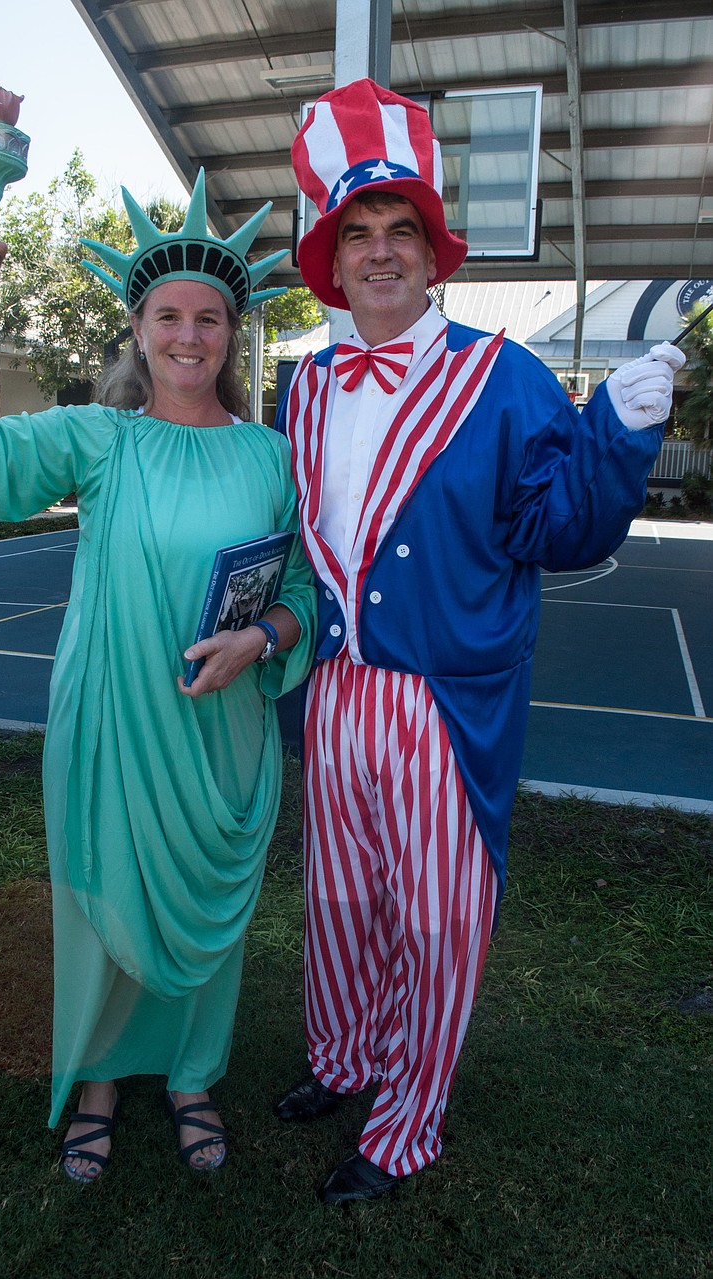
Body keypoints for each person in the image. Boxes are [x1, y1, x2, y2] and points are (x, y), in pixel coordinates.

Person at [273, 78, 685, 1204]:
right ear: (331, 257)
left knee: (439, 918)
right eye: (356, 234)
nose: (380, 253)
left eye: (400, 230)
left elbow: (563, 529)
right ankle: (345, 1058)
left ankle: (405, 1122)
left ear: (433, 250)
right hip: (336, 689)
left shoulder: (500, 378)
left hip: (444, 701)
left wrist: (615, 435)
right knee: (340, 899)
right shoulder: (299, 387)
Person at [0, 170, 316, 1183]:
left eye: (210, 319)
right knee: (101, 903)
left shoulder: (272, 457)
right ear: (137, 331)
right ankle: (98, 1076)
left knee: (204, 919)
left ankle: (190, 1073)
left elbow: (305, 596)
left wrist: (261, 640)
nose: (190, 336)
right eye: (169, 316)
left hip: (220, 730)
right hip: (111, 721)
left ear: (233, 334)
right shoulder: (102, 440)